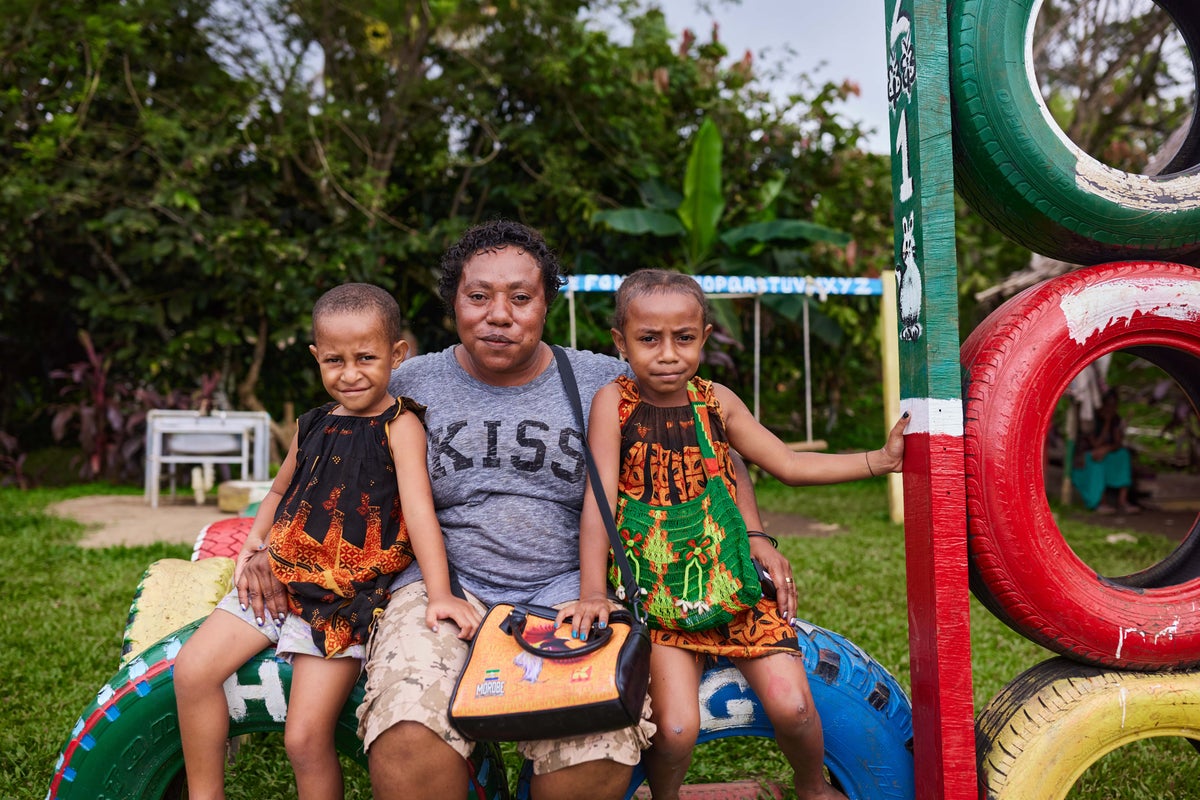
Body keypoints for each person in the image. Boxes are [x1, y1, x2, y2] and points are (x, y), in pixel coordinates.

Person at [345, 219, 785, 800]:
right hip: (441, 589)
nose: (498, 314)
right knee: (406, 731)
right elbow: (325, 456)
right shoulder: (409, 383)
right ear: (454, 300)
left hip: (572, 592)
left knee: (595, 734)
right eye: (478, 296)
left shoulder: (605, 382)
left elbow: (710, 439)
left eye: (520, 298)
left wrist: (753, 533)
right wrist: (264, 548)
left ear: (547, 304)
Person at [558, 268, 908, 800]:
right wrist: (591, 593)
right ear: (620, 342)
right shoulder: (615, 403)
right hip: (662, 602)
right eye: (649, 339)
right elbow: (599, 502)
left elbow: (786, 462)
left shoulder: (715, 401)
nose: (668, 354)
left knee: (792, 706)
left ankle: (813, 788)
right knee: (675, 731)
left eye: (685, 338)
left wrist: (878, 461)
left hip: (735, 590)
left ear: (704, 336)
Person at [174, 283, 479, 800]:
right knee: (192, 671)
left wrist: (441, 591)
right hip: (279, 580)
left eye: (366, 357)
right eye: (334, 360)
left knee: (304, 738)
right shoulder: (313, 423)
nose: (350, 373)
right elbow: (277, 489)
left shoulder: (400, 425)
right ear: (316, 357)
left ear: (397, 355)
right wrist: (254, 544)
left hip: (342, 602)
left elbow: (420, 512)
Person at [1072, 387, 1140, 514]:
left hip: (1106, 453)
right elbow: (1096, 444)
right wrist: (1106, 424)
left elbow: (1118, 443)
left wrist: (1107, 448)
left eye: (1114, 405)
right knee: (1098, 459)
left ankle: (1122, 501)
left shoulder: (1116, 419)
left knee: (1123, 455)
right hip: (1088, 455)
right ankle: (1100, 502)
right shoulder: (1091, 419)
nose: (1111, 408)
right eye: (1109, 405)